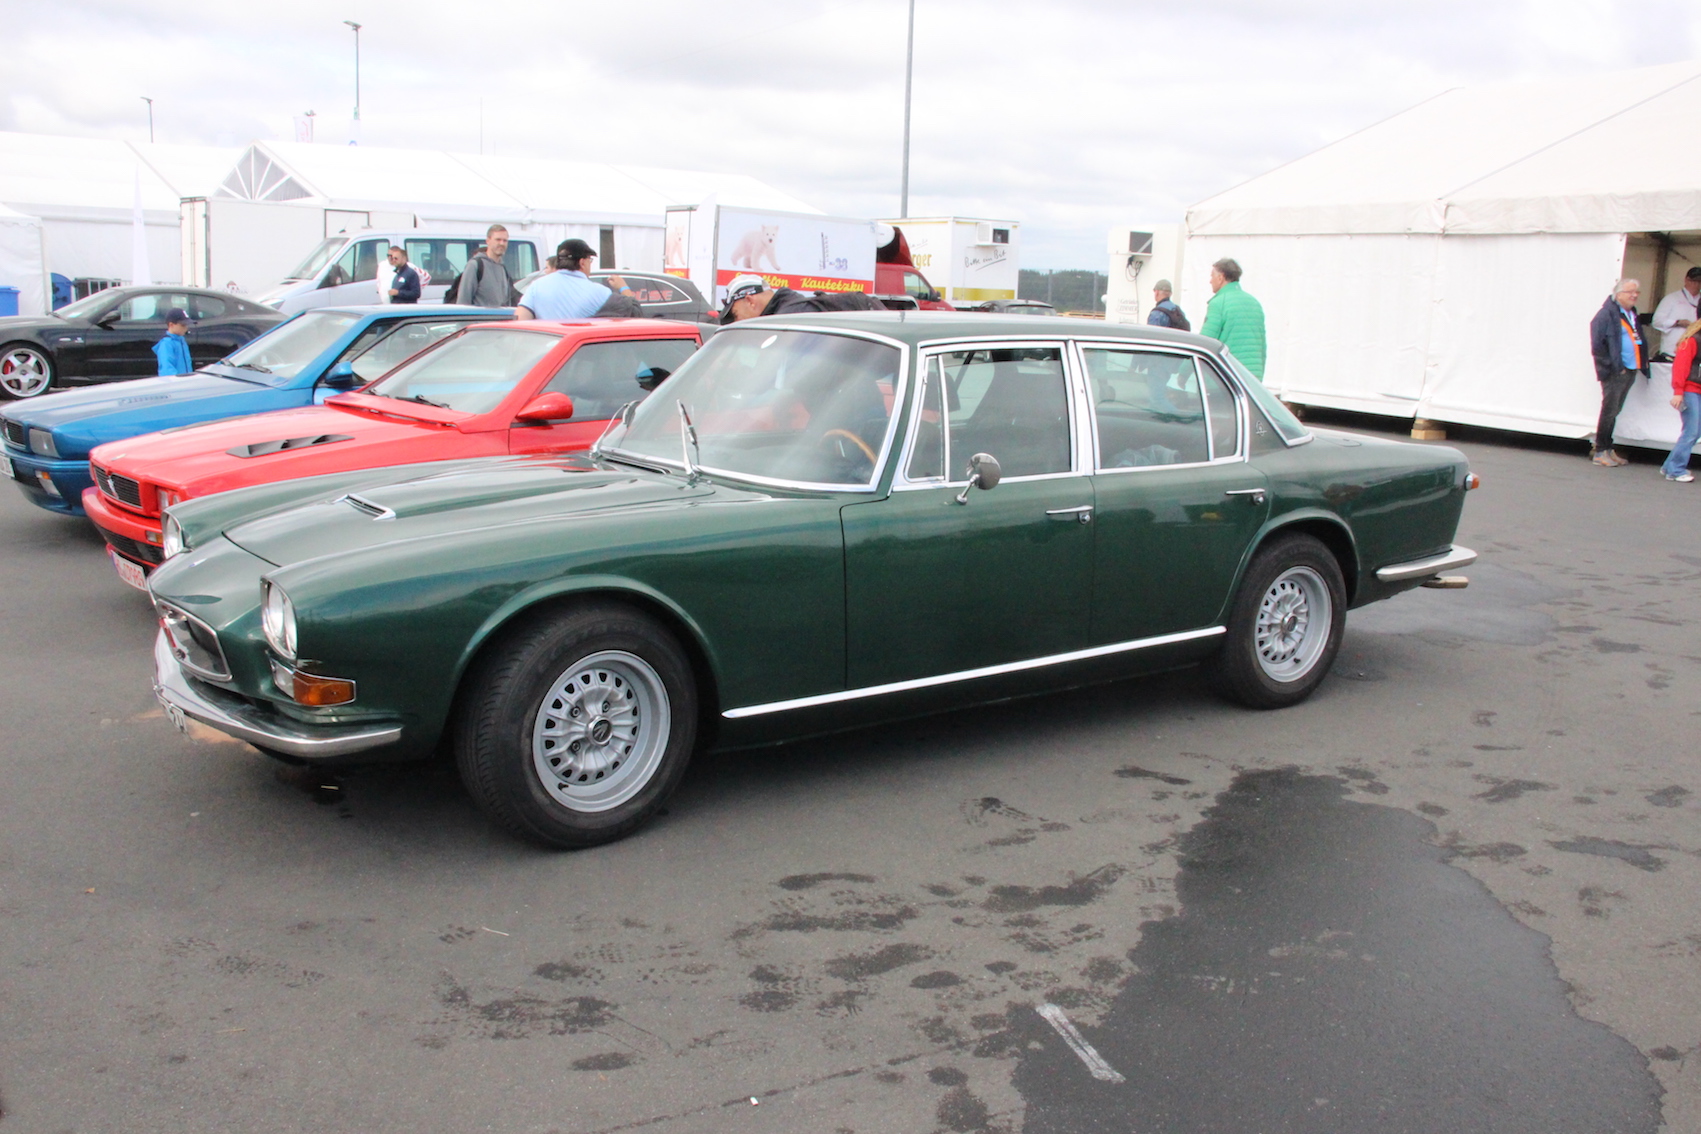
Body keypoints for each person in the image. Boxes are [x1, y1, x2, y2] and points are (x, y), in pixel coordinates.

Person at [1587, 278, 1647, 466]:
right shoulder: (1606, 314)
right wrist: (1612, 367)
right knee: (1609, 409)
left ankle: (1607, 447)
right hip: (1616, 371)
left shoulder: (1630, 313)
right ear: (1618, 294)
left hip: (1630, 368)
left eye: (1637, 292)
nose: (1634, 295)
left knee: (1615, 410)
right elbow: (1598, 345)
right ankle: (1600, 450)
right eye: (1630, 292)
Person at [516, 239, 624, 320]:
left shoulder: (536, 286)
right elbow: (630, 316)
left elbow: (520, 319)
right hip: (579, 344)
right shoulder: (600, 293)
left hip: (546, 344)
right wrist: (623, 287)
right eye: (589, 260)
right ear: (582, 262)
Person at [719, 273, 885, 324]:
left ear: (750, 301)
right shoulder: (792, 311)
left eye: (735, 315)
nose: (736, 321)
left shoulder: (787, 320)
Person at [1199, 258, 1266, 377]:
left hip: (1227, 375)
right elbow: (1262, 346)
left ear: (1221, 277)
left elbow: (1205, 342)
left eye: (1212, 276)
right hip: (1252, 376)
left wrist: (1184, 373)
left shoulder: (1219, 303)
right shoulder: (1255, 303)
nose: (1210, 281)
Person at [1661, 317, 1701, 482]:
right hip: (1689, 390)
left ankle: (1670, 466)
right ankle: (1676, 469)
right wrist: (1678, 391)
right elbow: (1680, 366)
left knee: (1694, 431)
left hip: (1695, 390)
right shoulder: (1692, 341)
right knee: (1691, 431)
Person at [451, 224, 518, 307]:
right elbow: (463, 302)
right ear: (488, 241)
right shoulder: (475, 266)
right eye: (498, 240)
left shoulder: (503, 269)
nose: (502, 243)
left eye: (505, 240)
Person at [1652, 266, 1701, 360]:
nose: (1696, 285)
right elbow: (1657, 321)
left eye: (1699, 282)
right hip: (1672, 351)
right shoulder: (1671, 299)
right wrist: (1677, 322)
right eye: (1693, 281)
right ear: (1686, 280)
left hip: (1695, 351)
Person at [153, 308, 193, 376]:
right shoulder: (166, 344)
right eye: (183, 325)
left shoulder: (182, 341)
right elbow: (167, 369)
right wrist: (177, 381)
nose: (186, 328)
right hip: (175, 382)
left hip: (185, 381)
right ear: (171, 325)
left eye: (187, 325)